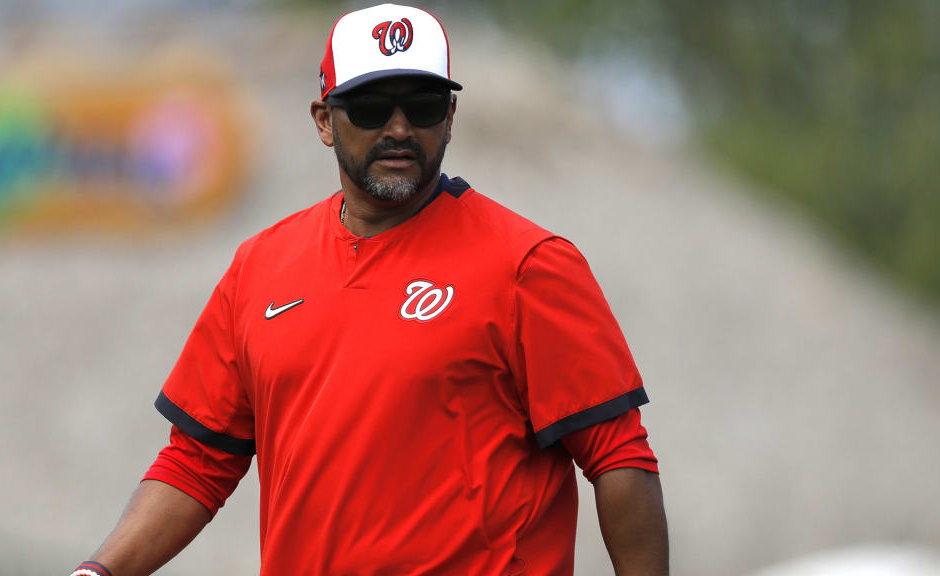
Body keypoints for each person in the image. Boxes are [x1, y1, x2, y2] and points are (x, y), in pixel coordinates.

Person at [70, 4, 668, 576]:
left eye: (423, 106)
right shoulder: (259, 267)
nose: (399, 128)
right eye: (371, 107)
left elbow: (618, 458)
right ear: (324, 120)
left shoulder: (529, 265)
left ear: (450, 117)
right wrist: (99, 569)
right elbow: (197, 461)